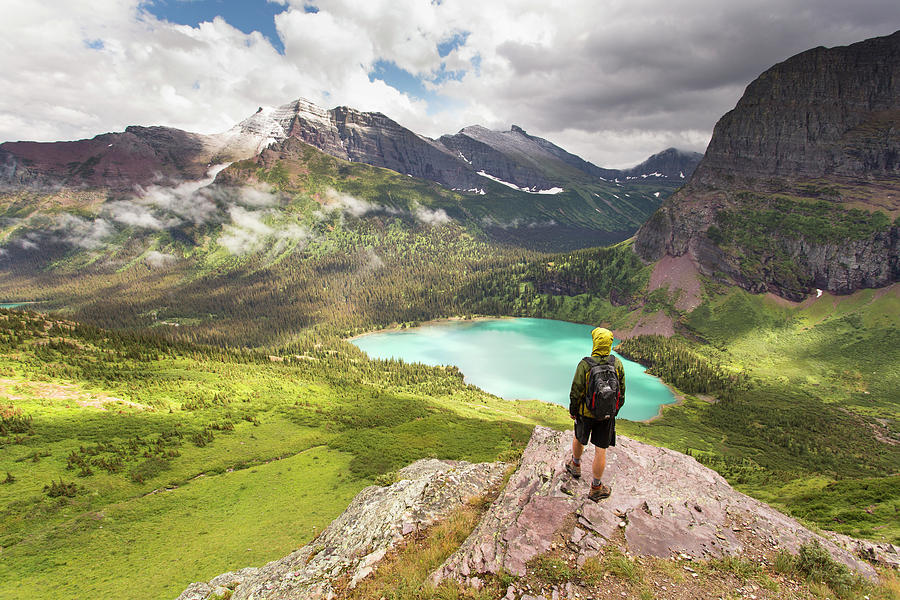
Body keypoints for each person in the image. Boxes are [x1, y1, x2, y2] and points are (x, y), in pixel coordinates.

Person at [565, 327, 625, 502]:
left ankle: (575, 465)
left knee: (579, 436)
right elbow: (621, 393)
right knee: (601, 450)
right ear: (610, 343)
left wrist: (574, 411)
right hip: (606, 416)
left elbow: (576, 391)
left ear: (595, 343)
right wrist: (613, 411)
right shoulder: (617, 364)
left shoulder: (585, 364)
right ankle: (596, 487)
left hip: (586, 413)